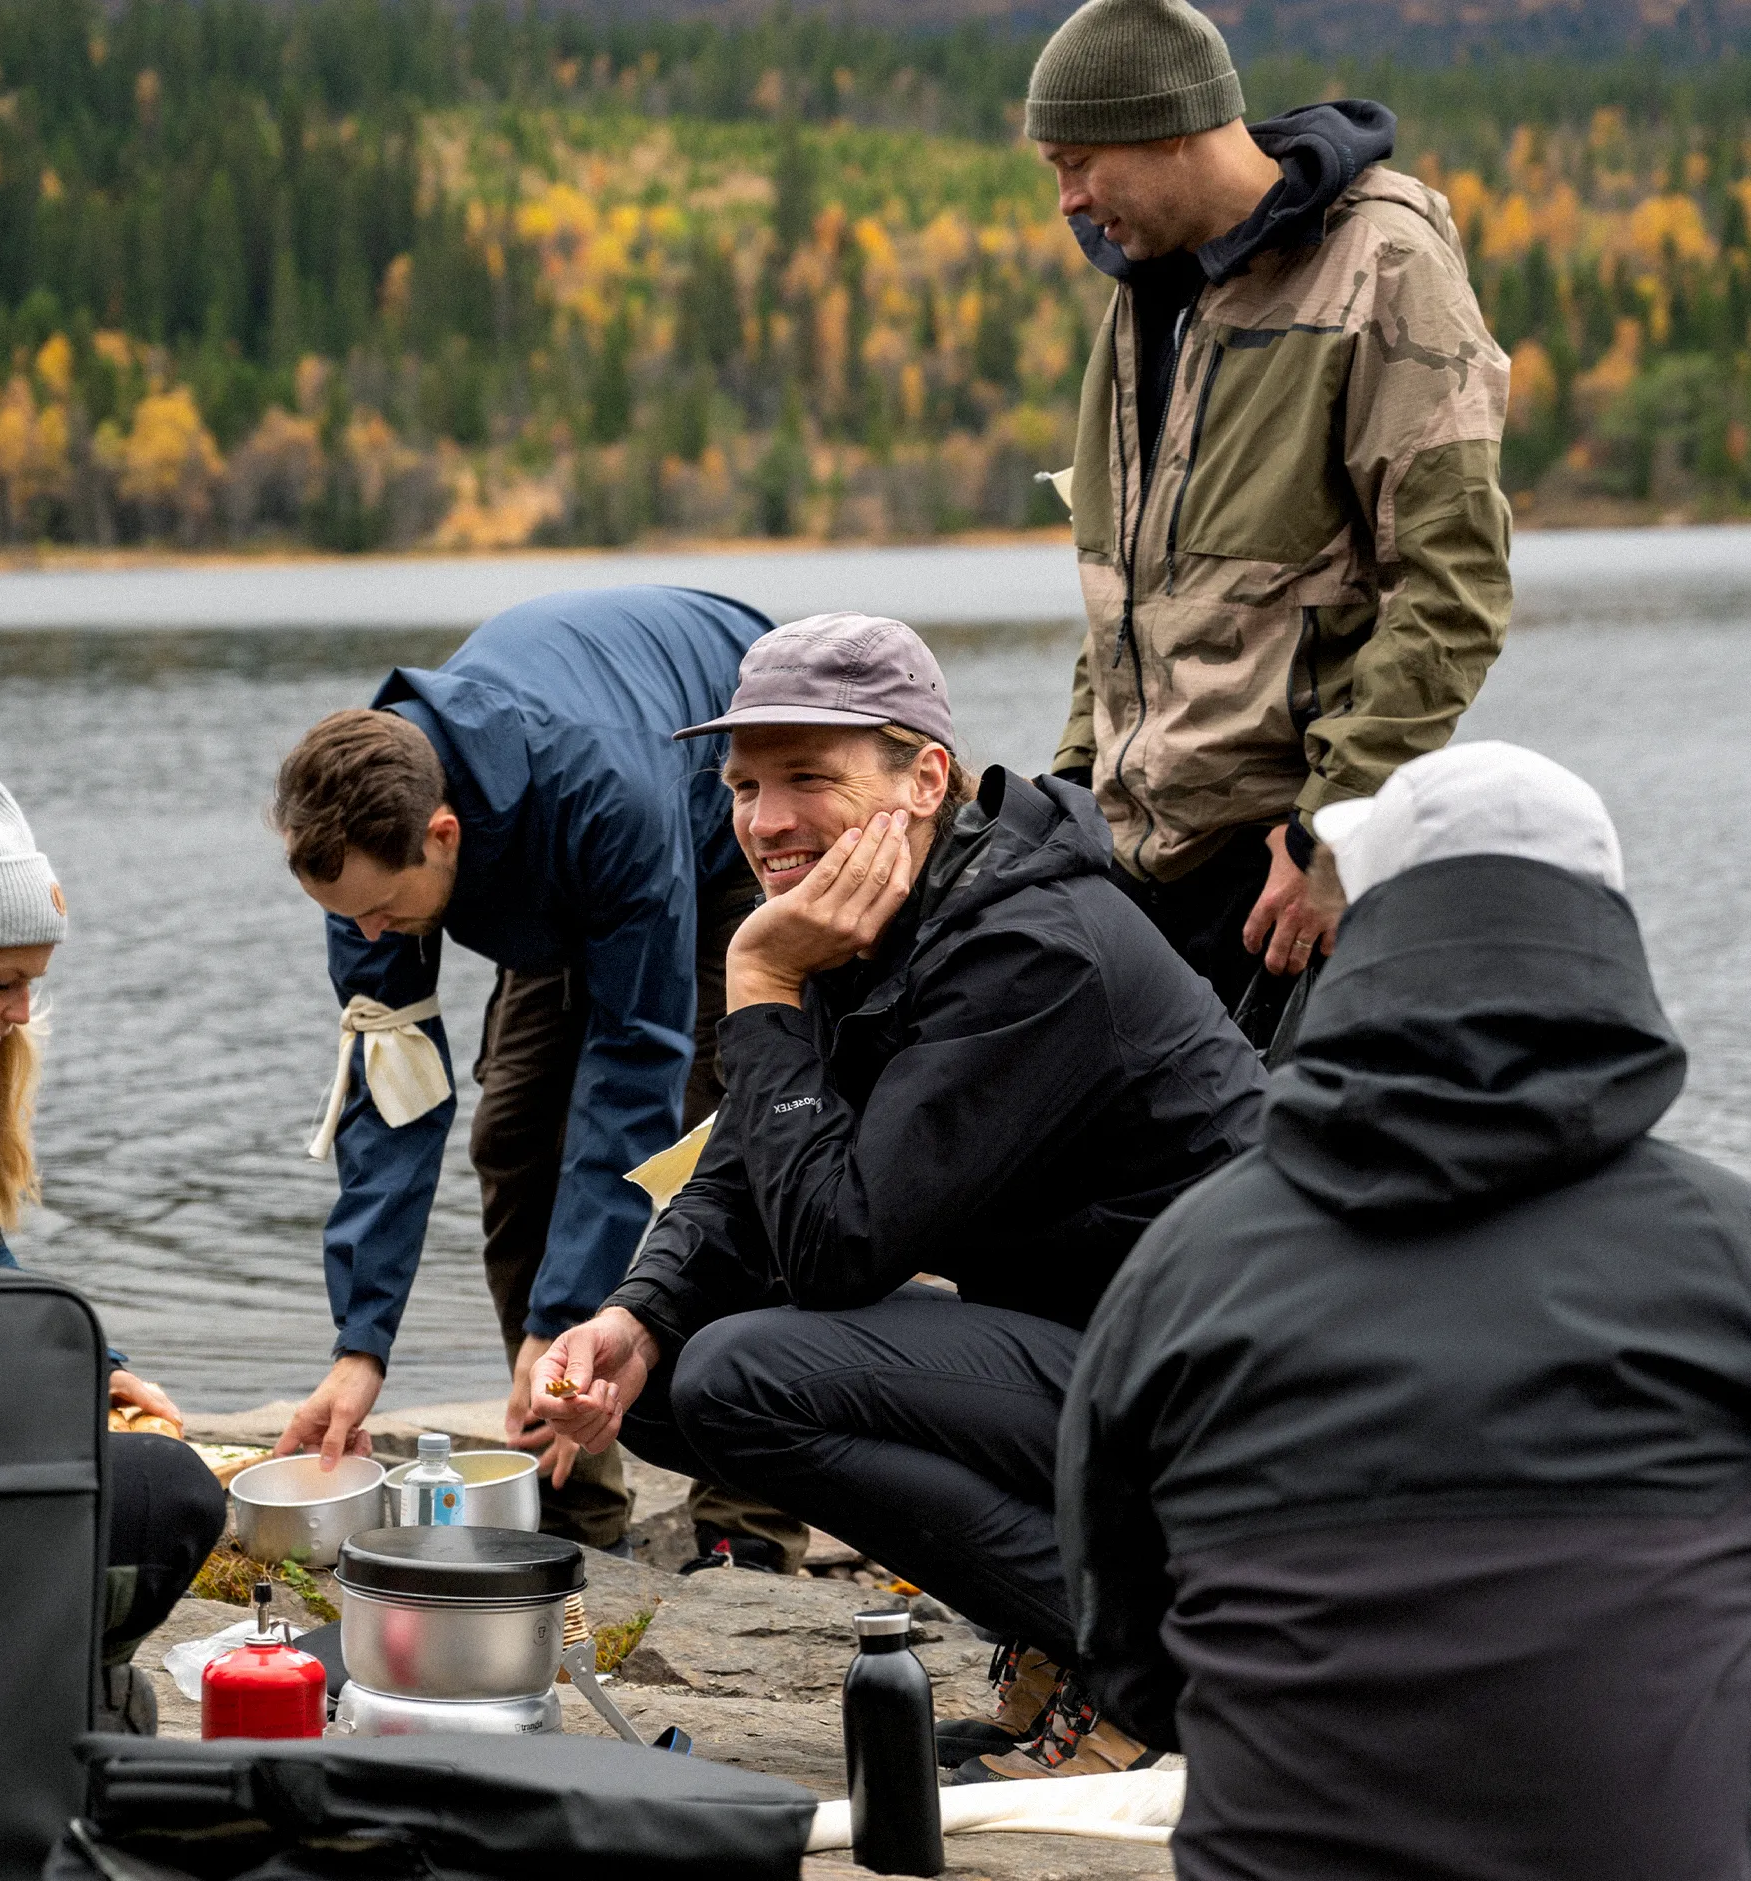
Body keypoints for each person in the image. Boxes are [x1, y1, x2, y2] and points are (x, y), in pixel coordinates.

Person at [528, 612, 1268, 1781]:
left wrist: (759, 981)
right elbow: (748, 1170)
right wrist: (637, 1313)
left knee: (742, 1377)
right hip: (1102, 1363)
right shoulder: (880, 916)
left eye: (807, 779)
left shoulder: (1027, 950)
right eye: (743, 787)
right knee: (662, 1375)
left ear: (924, 778)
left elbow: (838, 1247)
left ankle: (1150, 1670)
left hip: (1226, 1408)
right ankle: (1062, 1640)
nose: (765, 821)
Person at [1059, 740, 1751, 1879]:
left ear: (1369, 934)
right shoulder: (1728, 1250)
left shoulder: (1188, 1259)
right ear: (1604, 942)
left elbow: (1126, 1655)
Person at [269, 586, 801, 1568]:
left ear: (442, 834)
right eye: (348, 918)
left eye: (381, 912)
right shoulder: (364, 848)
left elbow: (634, 1062)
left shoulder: (608, 799)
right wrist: (361, 1348)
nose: (368, 935)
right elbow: (394, 1098)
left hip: (712, 822)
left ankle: (746, 1521)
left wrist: (565, 1311)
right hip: (551, 862)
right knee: (513, 1134)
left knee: (715, 1153)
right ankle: (570, 1494)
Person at [1027, 0, 1511, 1042]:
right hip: (1136, 880)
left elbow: (1452, 590)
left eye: (1077, 163)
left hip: (1285, 878)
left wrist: (1330, 830)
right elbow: (1126, 597)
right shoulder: (1145, 292)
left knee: (1290, 1150)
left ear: (1168, 127)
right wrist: (1071, 790)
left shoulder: (1383, 268)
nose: (1067, 201)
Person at [0, 760, 224, 1734]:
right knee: (166, 1495)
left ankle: (24, 1693)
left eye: (34, 981)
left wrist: (96, 1370)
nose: (23, 1011)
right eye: (4, 983)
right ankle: (18, 1709)